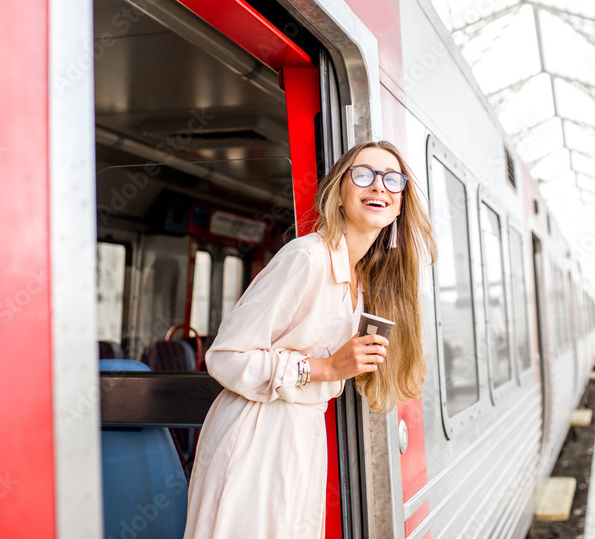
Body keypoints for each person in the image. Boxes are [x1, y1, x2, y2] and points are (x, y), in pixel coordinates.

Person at [183, 141, 436, 539]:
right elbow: (226, 357)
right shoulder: (307, 258)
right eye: (363, 175)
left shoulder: (362, 281)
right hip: (256, 435)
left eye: (392, 180)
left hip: (301, 437)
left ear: (400, 205)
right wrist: (325, 368)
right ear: (338, 194)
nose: (378, 187)